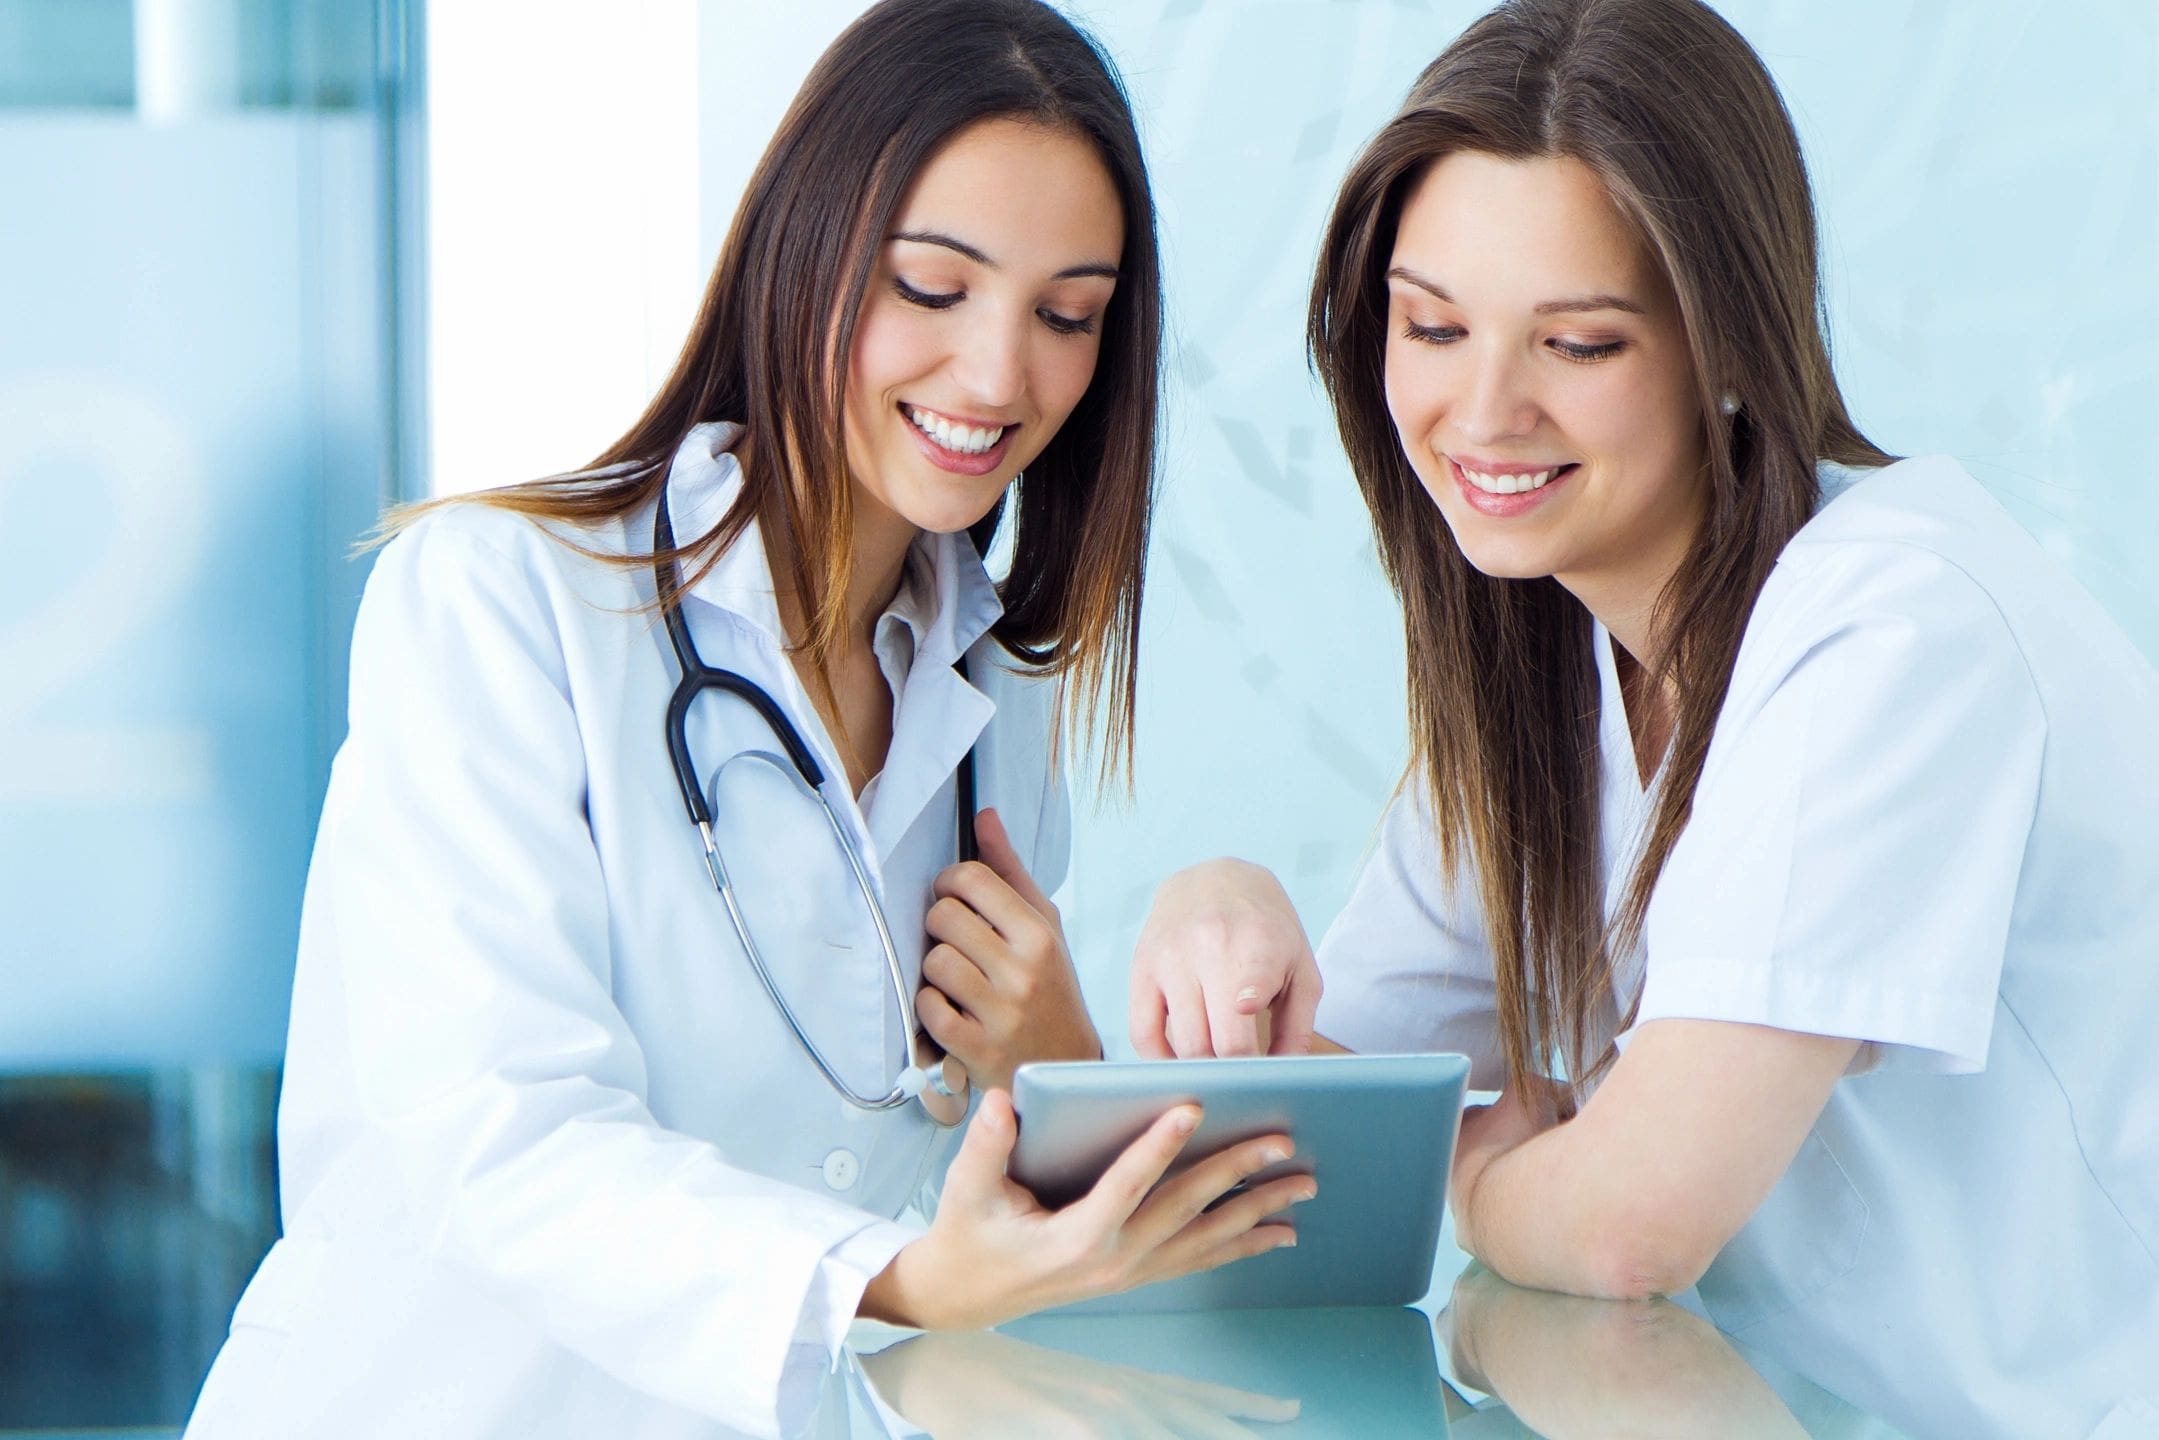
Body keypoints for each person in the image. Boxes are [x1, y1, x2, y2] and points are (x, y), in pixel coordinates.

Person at [184, 3, 1308, 1436]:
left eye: (1066, 315)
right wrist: (889, 1277)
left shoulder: (993, 694)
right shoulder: (501, 603)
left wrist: (1060, 1049)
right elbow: (497, 1133)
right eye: (933, 286)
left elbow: (977, 1207)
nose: (997, 376)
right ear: (809, 246)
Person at [1129, 1, 2159, 1435]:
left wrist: (1484, 1183)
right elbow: (1329, 1126)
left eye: (1580, 344)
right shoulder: (1550, 671)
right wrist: (1218, 901)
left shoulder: (1896, 628)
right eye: (1432, 325)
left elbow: (1630, 1225)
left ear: (1729, 347)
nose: (1483, 411)